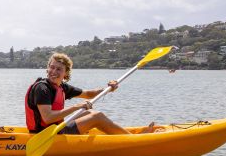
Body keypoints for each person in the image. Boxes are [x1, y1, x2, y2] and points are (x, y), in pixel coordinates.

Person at [25, 52, 157, 135]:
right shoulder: (42, 89)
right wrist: (76, 107)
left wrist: (109, 88)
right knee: (97, 117)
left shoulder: (62, 87)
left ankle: (126, 135)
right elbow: (47, 118)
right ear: (48, 68)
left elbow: (88, 94)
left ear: (65, 73)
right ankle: (131, 140)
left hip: (55, 129)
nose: (53, 71)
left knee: (90, 113)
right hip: (45, 134)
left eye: (59, 69)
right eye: (52, 67)